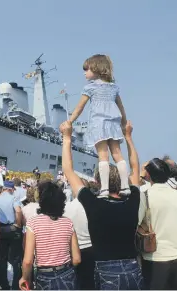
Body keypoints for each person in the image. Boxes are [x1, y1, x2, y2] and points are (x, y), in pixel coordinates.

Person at [60, 120, 143, 290]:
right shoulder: (133, 199)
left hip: (106, 271)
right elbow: (135, 167)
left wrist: (67, 137)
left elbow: (68, 171)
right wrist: (128, 137)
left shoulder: (93, 204)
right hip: (133, 268)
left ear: (98, 182)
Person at [65, 54, 130, 197]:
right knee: (118, 154)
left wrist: (70, 121)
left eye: (86, 69)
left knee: (103, 155)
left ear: (96, 68)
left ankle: (105, 189)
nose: (84, 73)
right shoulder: (114, 88)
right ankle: (125, 187)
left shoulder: (90, 88)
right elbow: (121, 107)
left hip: (99, 123)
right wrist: (124, 123)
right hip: (113, 123)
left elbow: (79, 107)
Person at [19, 181, 81, 290]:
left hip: (44, 275)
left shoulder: (33, 223)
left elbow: (28, 260)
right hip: (66, 273)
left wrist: (24, 278)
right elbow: (76, 259)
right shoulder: (68, 222)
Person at [139, 158, 177, 289]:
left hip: (155, 257)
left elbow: (136, 223)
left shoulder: (145, 195)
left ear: (148, 175)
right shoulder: (175, 194)